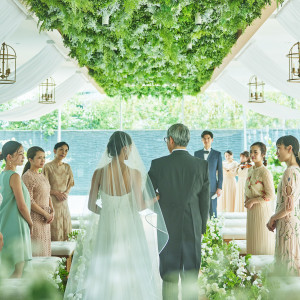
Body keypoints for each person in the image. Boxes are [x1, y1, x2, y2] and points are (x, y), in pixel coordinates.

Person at [65, 131, 168, 300]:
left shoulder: (99, 172)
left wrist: (107, 213)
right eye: (130, 148)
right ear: (125, 148)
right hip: (129, 225)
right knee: (130, 263)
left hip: (108, 226)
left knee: (106, 263)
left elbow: (91, 206)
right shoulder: (134, 173)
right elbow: (140, 206)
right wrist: (155, 198)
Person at [149, 124, 210, 300]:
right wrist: (201, 227)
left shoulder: (158, 164)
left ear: (171, 140)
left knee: (169, 275)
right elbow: (204, 201)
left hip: (167, 224)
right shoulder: (201, 165)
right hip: (193, 224)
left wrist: (159, 199)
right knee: (191, 274)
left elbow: (147, 193)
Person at [267, 135, 300, 276]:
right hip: (293, 224)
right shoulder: (297, 170)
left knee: (286, 267)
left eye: (279, 148)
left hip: (287, 225)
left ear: (290, 148)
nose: (276, 152)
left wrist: (272, 218)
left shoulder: (290, 172)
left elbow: (288, 207)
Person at [0, 141, 32, 277]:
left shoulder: (2, 175)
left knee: (9, 269)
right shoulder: (14, 176)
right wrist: (30, 222)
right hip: (17, 225)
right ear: (9, 157)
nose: (23, 157)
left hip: (5, 225)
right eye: (19, 154)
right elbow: (22, 205)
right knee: (18, 271)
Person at [22, 146, 54, 256]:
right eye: (39, 157)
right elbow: (29, 200)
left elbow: (48, 195)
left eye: (44, 157)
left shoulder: (42, 175)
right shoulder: (27, 177)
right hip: (35, 219)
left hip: (46, 220)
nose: (43, 160)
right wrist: (45, 213)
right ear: (30, 159)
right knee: (38, 252)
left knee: (45, 251)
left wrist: (52, 211)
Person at [245, 142, 275, 255]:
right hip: (251, 210)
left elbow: (271, 195)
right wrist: (246, 198)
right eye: (251, 151)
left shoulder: (265, 172)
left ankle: (262, 271)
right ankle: (251, 270)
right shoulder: (250, 169)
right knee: (252, 238)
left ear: (263, 154)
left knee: (261, 239)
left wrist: (253, 200)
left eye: (255, 152)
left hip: (262, 210)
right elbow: (247, 188)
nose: (252, 154)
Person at [42, 142, 74, 241]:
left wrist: (65, 194)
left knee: (66, 227)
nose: (63, 152)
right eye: (61, 149)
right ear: (55, 151)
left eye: (66, 150)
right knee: (54, 228)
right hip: (52, 202)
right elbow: (43, 186)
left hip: (64, 202)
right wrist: (56, 193)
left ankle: (67, 255)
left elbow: (71, 183)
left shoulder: (67, 167)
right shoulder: (47, 167)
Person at [194, 130, 223, 217]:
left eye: (208, 138)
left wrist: (219, 187)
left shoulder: (217, 154)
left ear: (212, 140)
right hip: (199, 187)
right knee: (200, 211)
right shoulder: (197, 153)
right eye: (204, 139)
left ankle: (214, 230)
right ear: (201, 140)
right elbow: (195, 171)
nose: (206, 140)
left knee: (213, 211)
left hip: (213, 187)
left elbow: (220, 172)